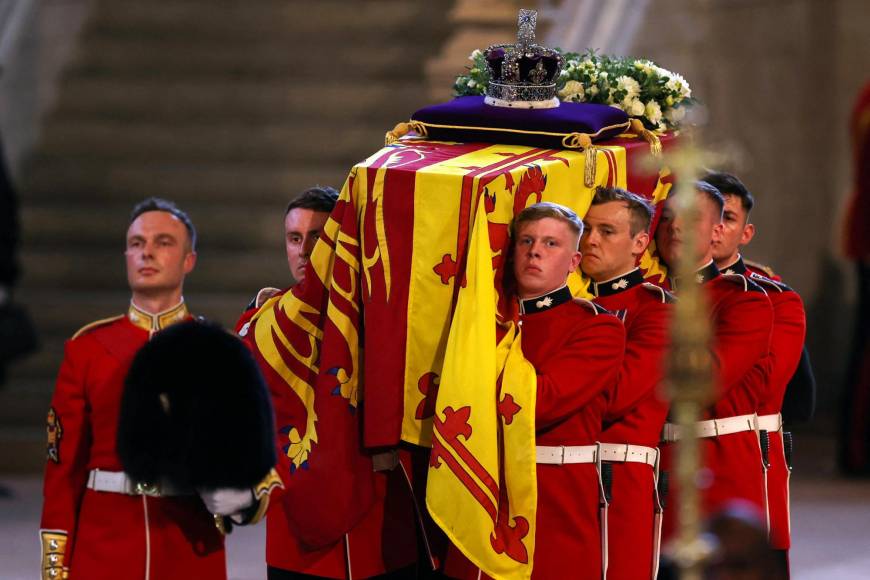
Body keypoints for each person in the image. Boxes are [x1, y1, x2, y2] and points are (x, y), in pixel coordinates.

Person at [237, 186, 421, 580]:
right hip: (297, 541)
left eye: (318, 237)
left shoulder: (385, 315)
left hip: (379, 531)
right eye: (294, 238)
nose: (304, 251)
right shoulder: (259, 324)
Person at [39, 198, 226, 579]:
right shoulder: (87, 348)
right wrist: (56, 560)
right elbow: (63, 466)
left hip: (188, 544)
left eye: (163, 242)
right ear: (126, 255)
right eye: (137, 243)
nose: (147, 253)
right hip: (104, 546)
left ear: (189, 260)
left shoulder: (218, 350)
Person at [445, 202, 626, 580]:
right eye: (526, 240)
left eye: (550, 243)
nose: (535, 251)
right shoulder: (483, 321)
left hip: (555, 495)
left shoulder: (597, 327)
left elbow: (541, 402)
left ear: (574, 261)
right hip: (480, 482)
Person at [654, 183, 774, 536]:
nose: (676, 228)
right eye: (668, 219)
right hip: (654, 471)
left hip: (717, 466)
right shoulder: (647, 298)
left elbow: (704, 384)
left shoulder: (744, 302)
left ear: (717, 231)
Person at [705, 171, 807, 565]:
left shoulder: (772, 297)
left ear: (745, 234)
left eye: (727, 218)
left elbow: (772, 390)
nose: (715, 229)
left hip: (745, 455)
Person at [580, 186, 672, 580]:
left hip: (617, 476)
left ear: (639, 243)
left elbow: (619, 396)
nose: (590, 240)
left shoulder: (657, 311)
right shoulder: (570, 304)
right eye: (585, 228)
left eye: (606, 231)